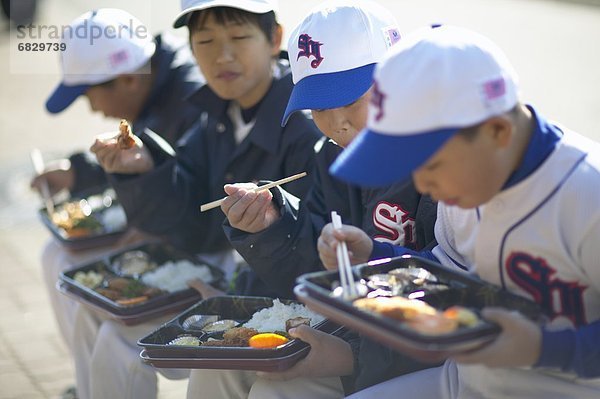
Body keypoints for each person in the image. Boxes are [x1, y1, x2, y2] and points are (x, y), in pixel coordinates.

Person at [321, 25, 600, 398]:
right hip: (463, 383)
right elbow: (447, 274)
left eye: (430, 163)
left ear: (498, 131)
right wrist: (378, 257)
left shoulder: (587, 194)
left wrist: (544, 349)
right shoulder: (467, 187)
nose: (420, 185)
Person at [187, 2, 437, 398]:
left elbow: (459, 292)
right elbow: (312, 275)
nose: (337, 121)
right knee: (215, 367)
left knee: (277, 391)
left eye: (353, 97)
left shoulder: (445, 158)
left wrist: (353, 355)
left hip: (426, 355)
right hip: (357, 332)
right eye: (319, 106)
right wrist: (271, 227)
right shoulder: (331, 156)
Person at [80, 0, 323, 398]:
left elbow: (313, 257)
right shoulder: (216, 115)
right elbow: (189, 222)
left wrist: (236, 294)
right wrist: (143, 170)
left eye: (239, 37)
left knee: (151, 348)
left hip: (279, 301)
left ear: (275, 38)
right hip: (228, 282)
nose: (221, 55)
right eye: (205, 40)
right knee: (108, 323)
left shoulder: (307, 127)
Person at [31, 8, 206, 399]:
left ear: (127, 79)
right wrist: (77, 171)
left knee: (85, 292)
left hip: (207, 248)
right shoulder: (157, 79)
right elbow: (138, 146)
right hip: (169, 228)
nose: (94, 110)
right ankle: (92, 383)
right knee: (55, 257)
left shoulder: (191, 98)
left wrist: (153, 228)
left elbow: (194, 192)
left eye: (90, 94)